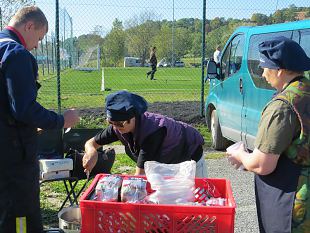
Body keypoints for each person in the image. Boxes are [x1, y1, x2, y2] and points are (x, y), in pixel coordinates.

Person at [0, 6, 80, 233]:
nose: (36, 45)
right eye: (40, 37)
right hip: (13, 156)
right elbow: (24, 109)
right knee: (20, 214)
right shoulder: (16, 53)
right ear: (29, 26)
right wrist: (62, 120)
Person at [226, 36, 310, 233]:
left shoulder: (282, 107)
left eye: (264, 67)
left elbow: (262, 164)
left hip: (294, 202)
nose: (263, 74)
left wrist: (241, 155)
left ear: (280, 70)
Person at [83, 90, 207, 177]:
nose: (115, 127)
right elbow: (90, 143)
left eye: (119, 123)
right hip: (165, 163)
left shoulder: (152, 132)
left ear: (133, 117)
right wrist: (92, 152)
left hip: (190, 157)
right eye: (111, 122)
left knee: (197, 199)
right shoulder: (117, 127)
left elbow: (140, 175)